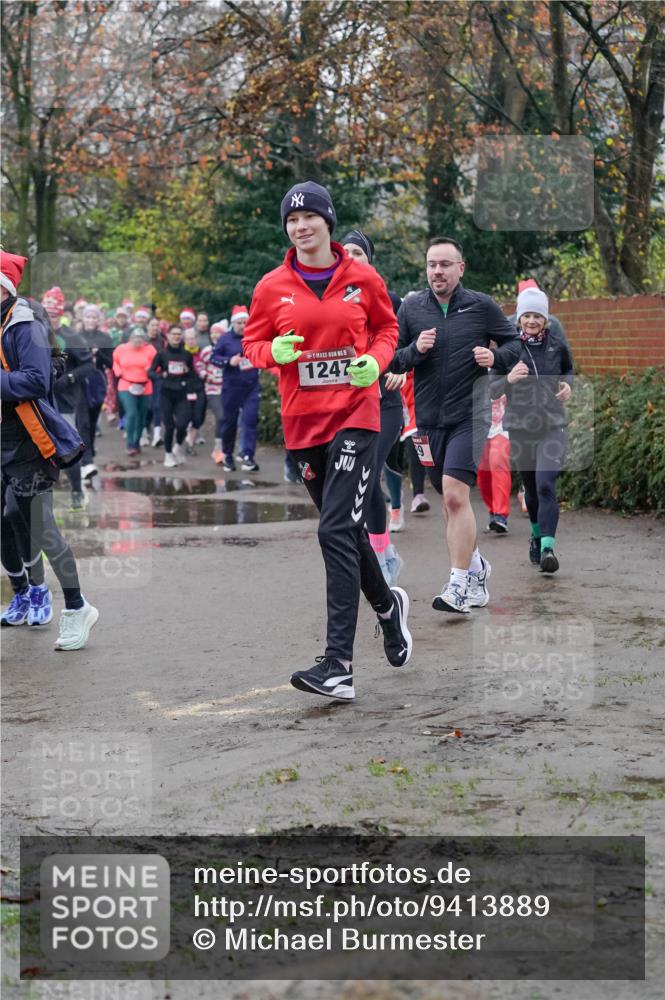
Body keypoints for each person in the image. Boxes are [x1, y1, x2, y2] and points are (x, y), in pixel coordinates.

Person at [242, 180, 412, 701]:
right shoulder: (272, 285)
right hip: (302, 423)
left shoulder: (363, 277)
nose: (300, 226)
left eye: (309, 217)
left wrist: (375, 363)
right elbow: (251, 343)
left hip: (356, 417)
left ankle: (338, 664)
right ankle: (388, 607)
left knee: (333, 530)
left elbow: (388, 331)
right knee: (345, 532)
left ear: (327, 222)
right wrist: (277, 351)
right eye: (292, 221)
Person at [393, 236, 520, 613]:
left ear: (459, 268)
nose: (437, 271)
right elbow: (392, 359)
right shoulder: (412, 309)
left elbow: (515, 346)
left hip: (471, 414)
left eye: (445, 264)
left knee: (453, 494)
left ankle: (458, 586)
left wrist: (494, 356)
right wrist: (415, 351)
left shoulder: (481, 306)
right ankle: (478, 566)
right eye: (432, 264)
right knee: (450, 504)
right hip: (428, 422)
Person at [0, 251, 99, 648]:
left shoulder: (24, 323)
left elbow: (36, 381)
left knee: (43, 529)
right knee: (4, 517)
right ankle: (24, 590)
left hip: (28, 441)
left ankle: (77, 607)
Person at [490, 286, 573, 573]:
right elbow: (491, 389)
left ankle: (548, 547)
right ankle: (537, 536)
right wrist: (509, 378)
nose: (532, 321)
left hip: (552, 425)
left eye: (538, 315)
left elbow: (569, 371)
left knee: (546, 484)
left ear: (546, 319)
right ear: (519, 318)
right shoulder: (508, 349)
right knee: (533, 491)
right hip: (521, 427)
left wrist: (567, 387)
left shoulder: (556, 345)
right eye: (527, 315)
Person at [341, 229, 404, 586]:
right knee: (358, 481)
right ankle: (381, 550)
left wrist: (402, 369)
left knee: (371, 472)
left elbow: (405, 341)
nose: (350, 256)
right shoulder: (330, 298)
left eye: (358, 252)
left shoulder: (389, 298)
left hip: (385, 402)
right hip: (347, 405)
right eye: (345, 250)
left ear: (369, 259)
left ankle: (381, 556)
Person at [43, 287, 95, 511]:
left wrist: (70, 377)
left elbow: (88, 365)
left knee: (67, 447)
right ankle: (43, 498)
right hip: (39, 399)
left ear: (60, 314)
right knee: (41, 450)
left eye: (53, 315)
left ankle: (76, 490)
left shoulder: (71, 336)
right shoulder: (34, 333)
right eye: (46, 314)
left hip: (64, 400)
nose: (49, 319)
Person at [211, 305, 261, 472]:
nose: (242, 325)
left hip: (251, 386)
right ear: (234, 323)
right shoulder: (225, 339)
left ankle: (248, 455)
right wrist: (228, 362)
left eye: (245, 322)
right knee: (230, 422)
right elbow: (214, 358)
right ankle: (227, 454)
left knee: (250, 420)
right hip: (231, 387)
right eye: (239, 322)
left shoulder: (254, 336)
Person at [148, 324, 197, 467]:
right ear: (168, 336)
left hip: (181, 393)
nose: (176, 337)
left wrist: (188, 371)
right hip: (166, 393)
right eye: (173, 334)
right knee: (169, 426)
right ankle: (168, 454)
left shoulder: (186, 355)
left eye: (178, 334)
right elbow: (150, 373)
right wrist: (160, 375)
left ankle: (178, 446)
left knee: (183, 424)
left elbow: (192, 375)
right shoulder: (162, 354)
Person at [78, 304, 114, 479]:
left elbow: (111, 364)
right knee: (82, 422)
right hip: (79, 384)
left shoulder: (105, 338)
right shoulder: (76, 337)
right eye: (88, 317)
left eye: (94, 317)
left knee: (92, 422)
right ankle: (87, 461)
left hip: (97, 382)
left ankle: (89, 451)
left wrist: (99, 354)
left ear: (98, 320)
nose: (90, 320)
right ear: (83, 319)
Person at [112, 327, 157, 456]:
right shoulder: (121, 349)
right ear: (130, 338)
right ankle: (130, 443)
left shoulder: (150, 350)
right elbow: (115, 362)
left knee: (142, 416)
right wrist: (118, 371)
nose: (138, 340)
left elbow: (157, 366)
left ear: (145, 340)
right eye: (135, 338)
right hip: (126, 384)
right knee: (132, 413)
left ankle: (137, 442)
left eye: (141, 338)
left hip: (145, 385)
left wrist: (151, 369)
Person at [477, 393, 511, 533]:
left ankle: (500, 514)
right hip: (479, 427)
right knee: (482, 474)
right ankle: (493, 510)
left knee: (497, 462)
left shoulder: (505, 370)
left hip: (503, 426)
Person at [199, 321, 225, 463]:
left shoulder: (228, 349)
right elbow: (199, 364)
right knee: (220, 416)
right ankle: (218, 448)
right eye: (213, 332)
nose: (215, 335)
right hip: (212, 389)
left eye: (218, 332)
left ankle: (225, 448)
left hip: (228, 389)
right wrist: (204, 373)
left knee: (227, 419)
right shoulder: (207, 350)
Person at [183, 327, 207, 453]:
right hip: (184, 389)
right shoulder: (181, 353)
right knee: (186, 416)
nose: (191, 341)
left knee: (199, 417)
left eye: (193, 339)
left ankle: (190, 440)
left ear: (196, 339)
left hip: (199, 388)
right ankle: (188, 441)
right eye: (188, 339)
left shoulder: (202, 353)